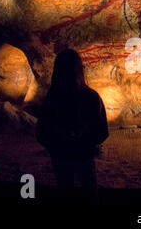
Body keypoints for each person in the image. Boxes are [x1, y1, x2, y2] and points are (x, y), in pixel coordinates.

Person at [36, 49, 108, 204]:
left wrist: (57, 142)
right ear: (80, 68)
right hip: (83, 155)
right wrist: (85, 141)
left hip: (60, 155)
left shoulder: (52, 99)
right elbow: (102, 131)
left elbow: (41, 131)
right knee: (89, 194)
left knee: (64, 193)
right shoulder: (91, 97)